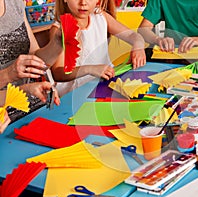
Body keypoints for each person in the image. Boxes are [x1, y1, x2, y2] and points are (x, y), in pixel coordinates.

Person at [50, 0, 146, 96]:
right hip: (76, 95)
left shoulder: (100, 17)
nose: (83, 2)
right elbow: (58, 73)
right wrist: (90, 69)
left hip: (105, 86)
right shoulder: (59, 29)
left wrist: (138, 46)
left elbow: (132, 35)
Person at [0, 0, 62, 132]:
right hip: (5, 120)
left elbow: (36, 59)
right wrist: (8, 74)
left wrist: (57, 43)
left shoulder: (14, 2)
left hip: (32, 107)